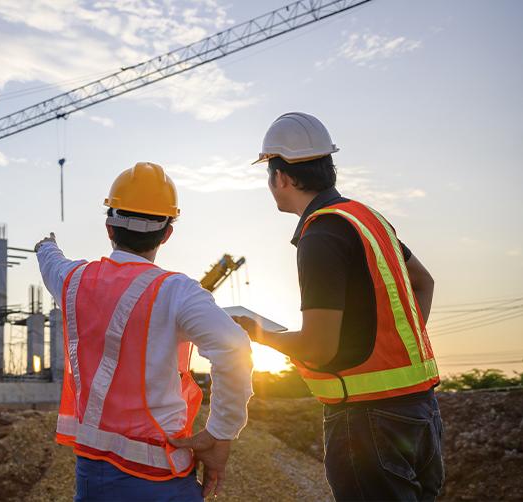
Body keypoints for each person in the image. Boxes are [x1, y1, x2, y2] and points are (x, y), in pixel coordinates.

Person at [236, 112, 444, 501]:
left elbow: (319, 348)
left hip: (367, 422)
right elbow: (424, 283)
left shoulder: (321, 235)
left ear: (280, 177)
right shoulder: (368, 218)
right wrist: (393, 349)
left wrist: (257, 333)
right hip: (420, 410)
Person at [35, 162, 253, 501]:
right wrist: (219, 434)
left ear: (109, 227)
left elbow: (51, 262)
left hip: (92, 477)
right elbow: (234, 348)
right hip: (160, 478)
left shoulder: (73, 281)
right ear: (167, 234)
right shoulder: (177, 292)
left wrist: (45, 246)